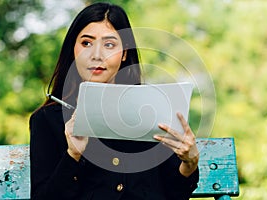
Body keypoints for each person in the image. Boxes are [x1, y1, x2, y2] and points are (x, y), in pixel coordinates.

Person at [29, 2, 199, 200]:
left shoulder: (153, 109)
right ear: (72, 49)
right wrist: (72, 155)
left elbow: (174, 194)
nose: (97, 55)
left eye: (109, 44)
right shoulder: (48, 120)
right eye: (86, 43)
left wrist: (189, 164)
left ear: (125, 52)